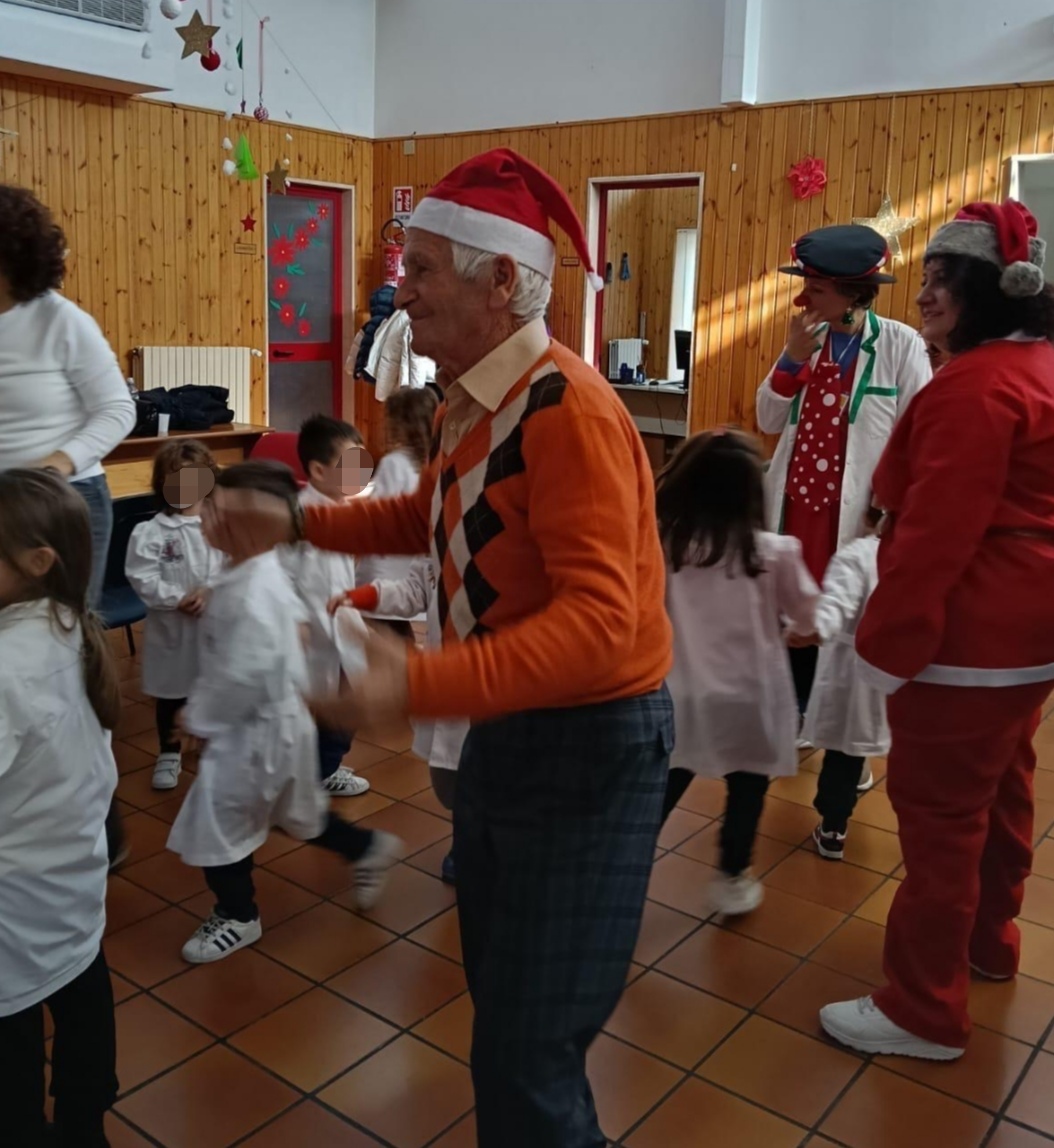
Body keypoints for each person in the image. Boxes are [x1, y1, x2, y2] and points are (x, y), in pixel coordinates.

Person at [204, 148, 673, 1148]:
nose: (397, 289)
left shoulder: (567, 411)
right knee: (503, 1018)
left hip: (585, 747)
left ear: (500, 279)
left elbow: (599, 629)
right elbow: (435, 512)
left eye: (418, 269)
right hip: (514, 729)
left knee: (529, 1047)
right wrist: (298, 526)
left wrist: (417, 683)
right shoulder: (480, 396)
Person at [820, 199, 1054, 1061]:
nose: (924, 296)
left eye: (940, 280)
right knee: (1004, 788)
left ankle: (924, 1007)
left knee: (941, 816)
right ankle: (991, 943)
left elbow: (933, 535)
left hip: (970, 638)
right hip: (1032, 636)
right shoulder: (1042, 369)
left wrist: (886, 645)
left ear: (987, 290)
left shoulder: (976, 386)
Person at [169, 462, 402, 964]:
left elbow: (243, 674)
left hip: (253, 733)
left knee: (217, 828)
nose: (202, 513)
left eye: (212, 507)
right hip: (275, 726)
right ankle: (365, 848)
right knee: (296, 815)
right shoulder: (247, 570)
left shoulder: (252, 591)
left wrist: (198, 718)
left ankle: (238, 916)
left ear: (245, 527)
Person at [756, 224, 930, 719]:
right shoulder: (806, 339)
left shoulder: (901, 345)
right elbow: (767, 417)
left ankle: (838, 734)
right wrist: (791, 359)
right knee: (793, 611)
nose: (803, 296)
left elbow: (917, 435)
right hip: (796, 507)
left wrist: (892, 511)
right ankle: (793, 713)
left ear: (852, 294)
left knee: (844, 616)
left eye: (815, 287)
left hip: (853, 515)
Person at [0, 469, 121, 1148]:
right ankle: (85, 1124)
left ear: (36, 563)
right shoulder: (68, 623)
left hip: (12, 909)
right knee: (81, 1003)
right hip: (72, 886)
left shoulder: (7, 664)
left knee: (13, 1067)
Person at [658, 429, 818, 915]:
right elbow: (810, 619)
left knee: (662, 784)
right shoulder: (775, 552)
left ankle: (619, 864)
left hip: (680, 692)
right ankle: (732, 877)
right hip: (752, 697)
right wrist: (797, 629)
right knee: (747, 789)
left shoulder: (663, 545)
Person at [332, 555, 467, 884]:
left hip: (487, 680)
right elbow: (415, 590)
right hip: (442, 680)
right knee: (447, 780)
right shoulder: (438, 537)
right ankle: (467, 833)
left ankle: (475, 845)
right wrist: (364, 596)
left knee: (480, 777)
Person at [786, 509, 888, 861]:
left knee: (844, 752)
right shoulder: (926, 554)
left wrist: (813, 628)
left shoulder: (857, 554)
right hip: (904, 673)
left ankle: (833, 829)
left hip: (854, 674)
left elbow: (834, 605)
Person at [125, 439, 224, 790]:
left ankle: (211, 740)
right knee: (171, 693)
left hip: (214, 627)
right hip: (172, 630)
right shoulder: (150, 533)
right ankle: (169, 752)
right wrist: (176, 597)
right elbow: (141, 576)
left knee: (213, 684)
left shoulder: (220, 526)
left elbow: (233, 565)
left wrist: (210, 590)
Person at [292, 415, 372, 797]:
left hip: (340, 626)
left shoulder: (341, 507)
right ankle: (320, 772)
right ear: (318, 470)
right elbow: (281, 572)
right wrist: (292, 622)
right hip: (311, 633)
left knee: (344, 702)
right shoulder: (301, 518)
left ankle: (321, 766)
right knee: (327, 709)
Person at [356, 387, 439, 640]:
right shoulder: (435, 463)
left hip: (384, 569)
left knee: (384, 632)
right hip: (415, 567)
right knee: (399, 630)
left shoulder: (395, 463)